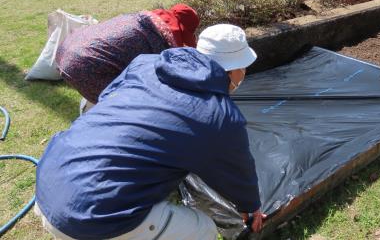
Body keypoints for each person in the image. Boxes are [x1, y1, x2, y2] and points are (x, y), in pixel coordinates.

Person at [35, 24, 266, 240]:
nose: (244, 72)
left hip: (49, 181)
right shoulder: (219, 115)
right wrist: (251, 206)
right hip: (90, 217)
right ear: (233, 71)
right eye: (243, 67)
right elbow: (238, 172)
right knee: (203, 228)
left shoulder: (145, 64)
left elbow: (107, 98)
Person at [55, 4, 199, 105]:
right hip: (84, 65)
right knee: (124, 107)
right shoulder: (160, 40)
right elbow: (160, 83)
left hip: (67, 48)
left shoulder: (142, 20)